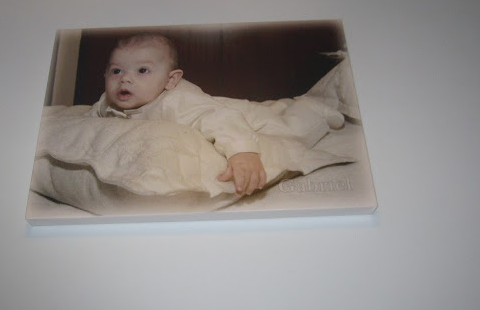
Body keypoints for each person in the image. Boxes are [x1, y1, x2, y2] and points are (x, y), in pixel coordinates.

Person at [88, 33, 344, 196]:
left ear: (171, 80)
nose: (125, 79)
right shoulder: (107, 101)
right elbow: (91, 119)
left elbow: (221, 119)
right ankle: (281, 106)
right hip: (223, 109)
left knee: (290, 131)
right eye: (116, 71)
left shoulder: (177, 101)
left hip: (233, 117)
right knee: (273, 110)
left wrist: (243, 152)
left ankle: (315, 108)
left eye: (142, 70)